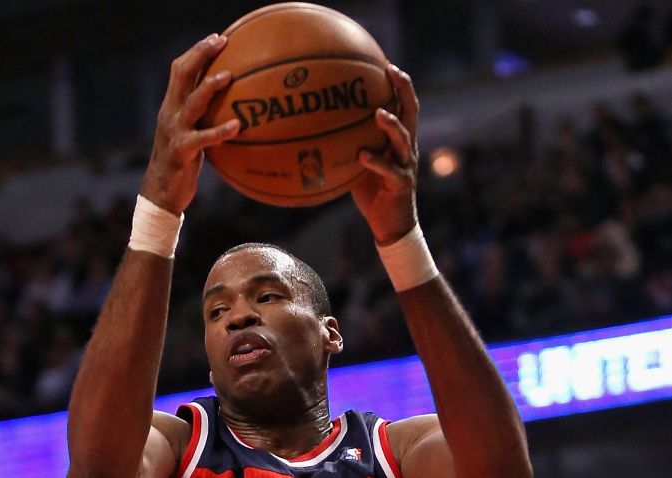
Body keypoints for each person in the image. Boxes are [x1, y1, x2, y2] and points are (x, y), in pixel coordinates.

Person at [66, 33, 533, 478]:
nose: (238, 318)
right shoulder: (179, 446)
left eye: (267, 297)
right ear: (209, 362)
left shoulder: (396, 453)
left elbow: (501, 469)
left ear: (330, 333)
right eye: (216, 311)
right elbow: (99, 467)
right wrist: (159, 210)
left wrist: (401, 238)